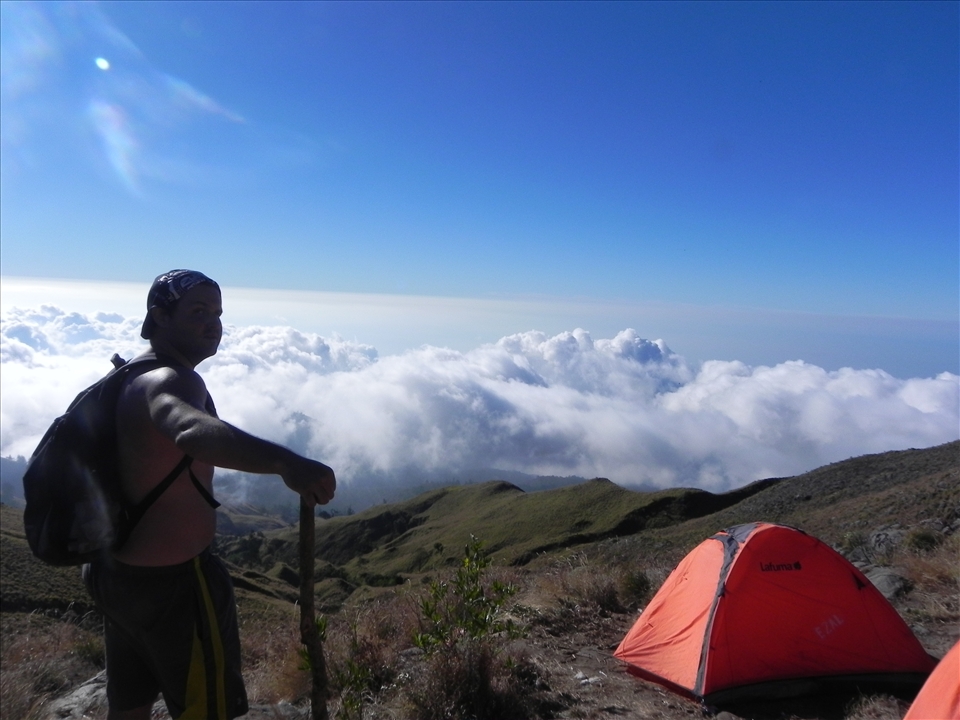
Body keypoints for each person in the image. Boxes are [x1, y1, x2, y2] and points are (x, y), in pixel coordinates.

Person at [83, 269, 336, 720]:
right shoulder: (172, 381)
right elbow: (189, 428)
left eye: (217, 312)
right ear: (159, 315)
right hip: (175, 586)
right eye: (197, 311)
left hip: (115, 575)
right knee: (208, 709)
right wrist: (287, 462)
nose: (213, 323)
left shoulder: (127, 376)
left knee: (129, 701)